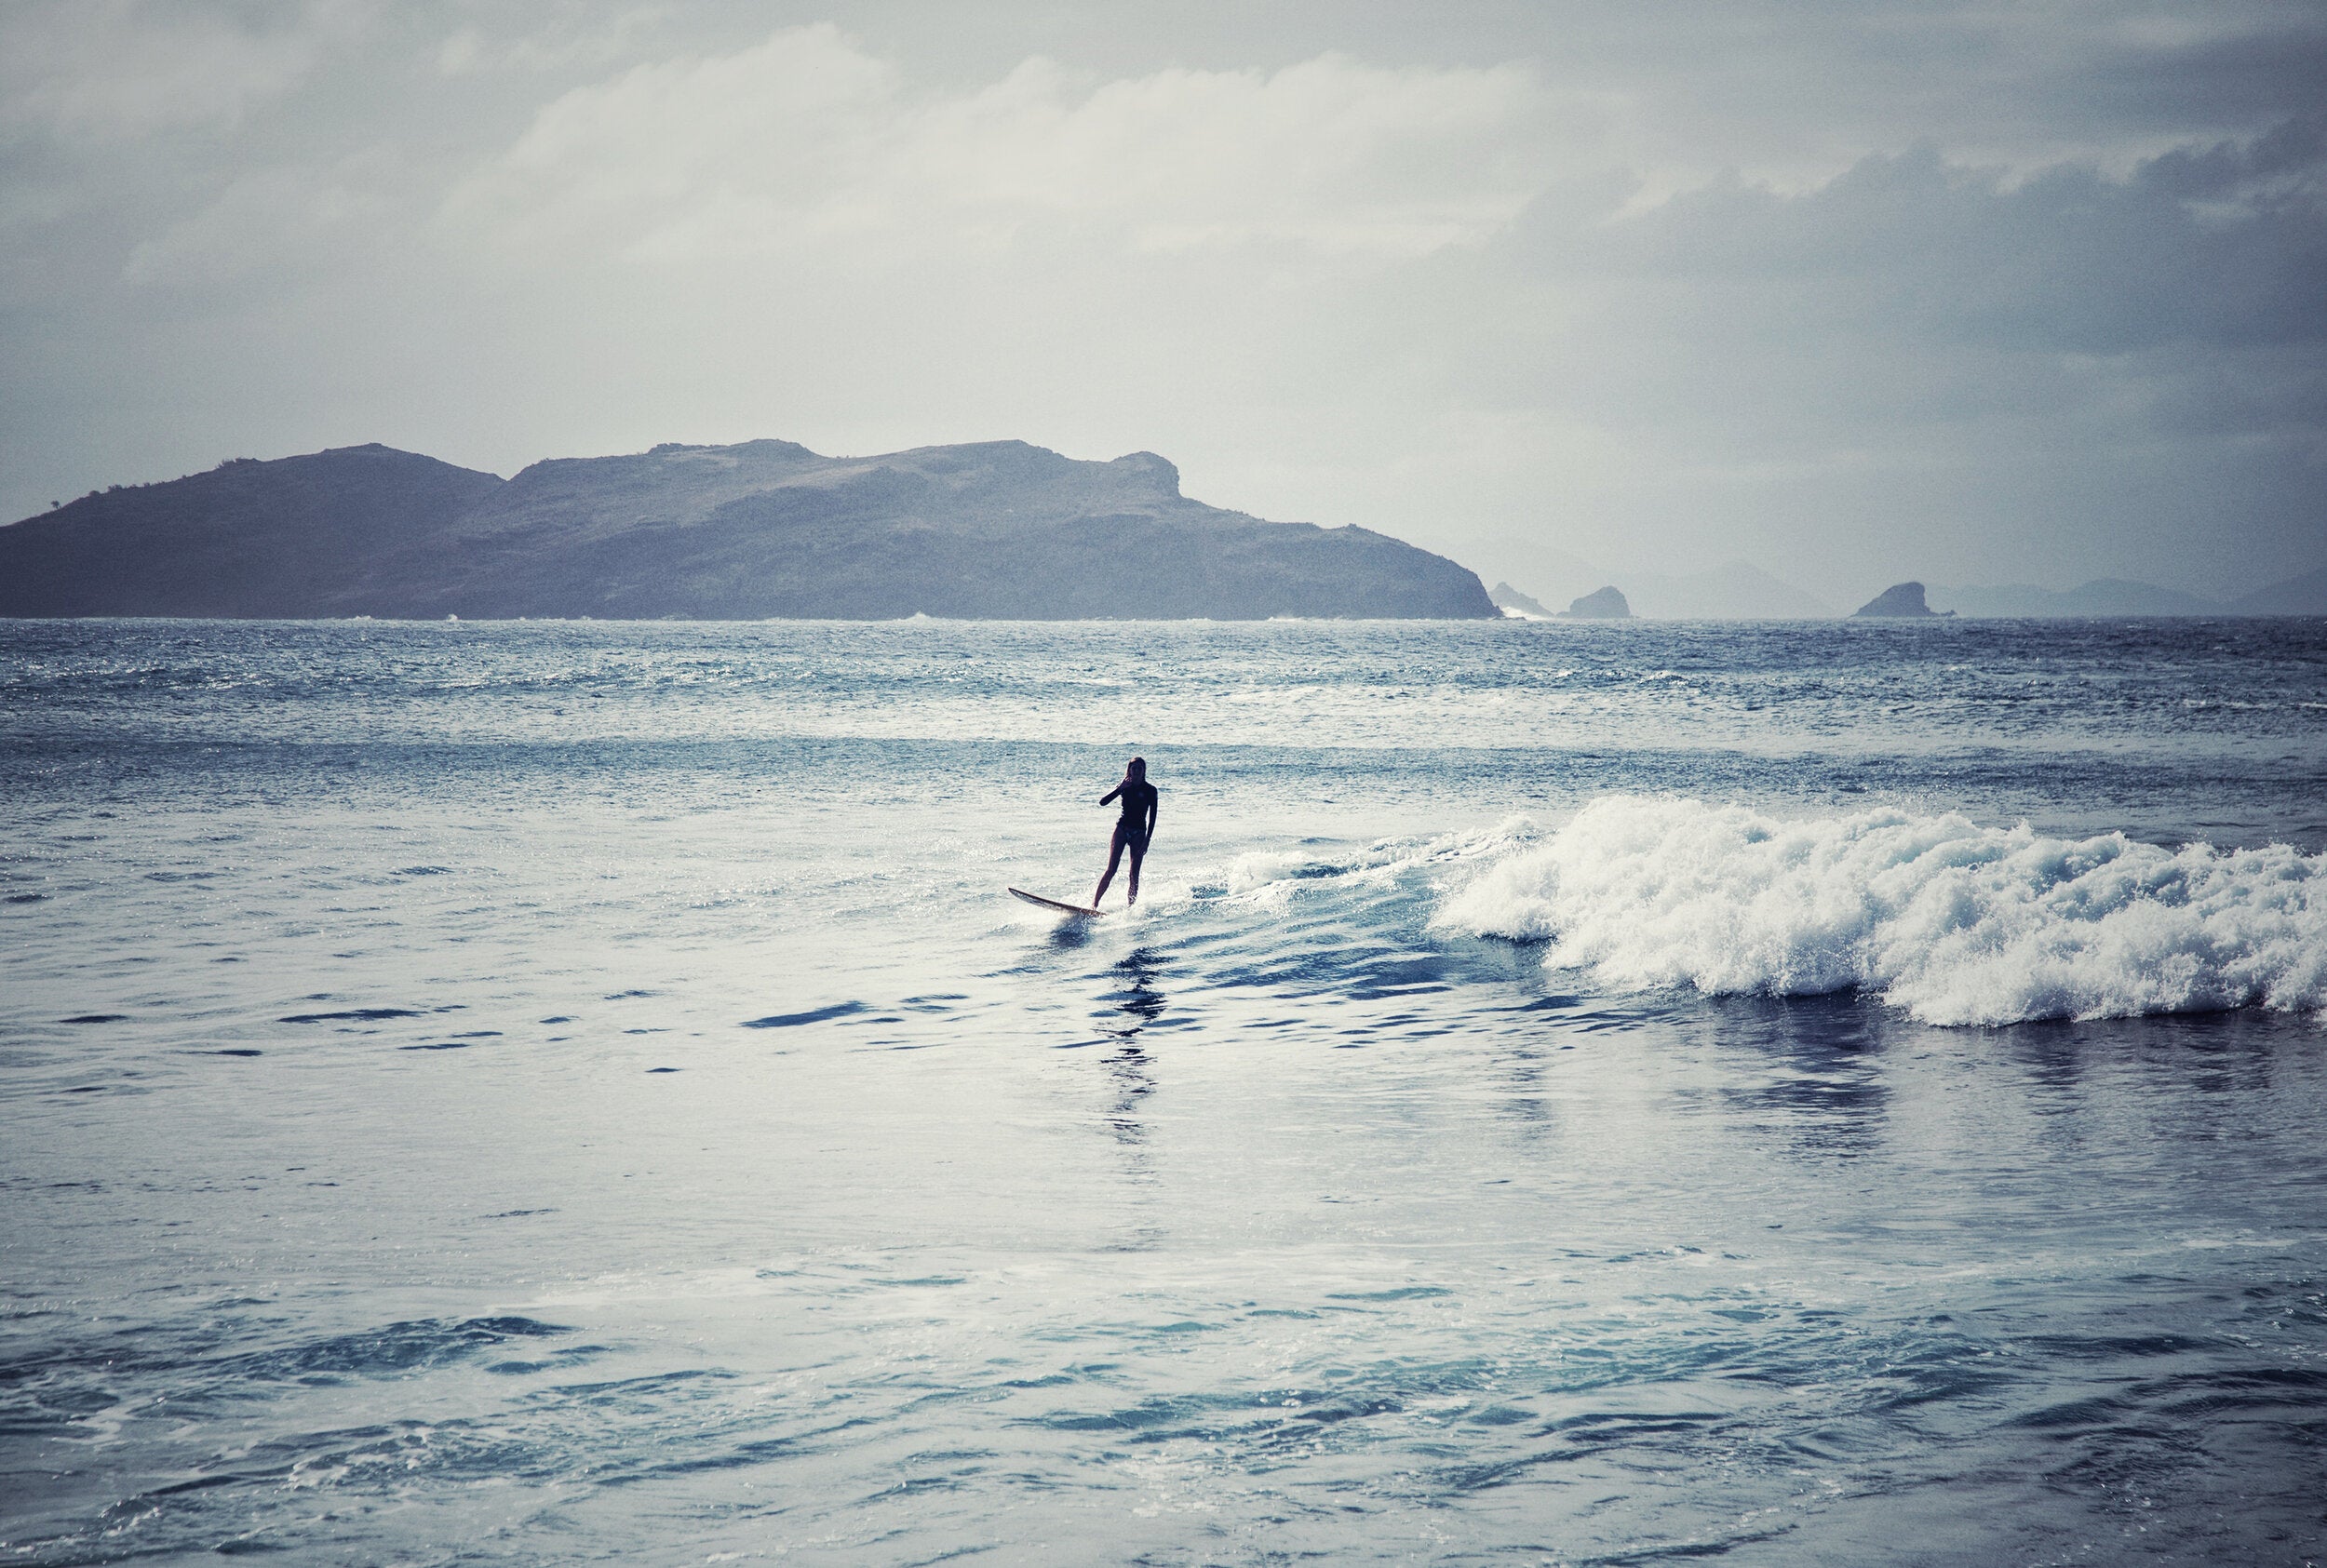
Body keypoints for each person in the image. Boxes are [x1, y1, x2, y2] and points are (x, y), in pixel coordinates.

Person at [1093, 757, 1159, 908]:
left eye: (1139, 768)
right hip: (1122, 829)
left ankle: (1130, 908)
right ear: (1129, 770)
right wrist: (1120, 788)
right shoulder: (1124, 786)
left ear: (1144, 771)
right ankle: (1094, 905)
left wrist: (1147, 840)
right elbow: (1102, 802)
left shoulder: (1150, 790)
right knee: (1111, 869)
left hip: (1139, 833)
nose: (1136, 771)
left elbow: (1153, 818)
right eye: (1133, 768)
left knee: (1134, 874)